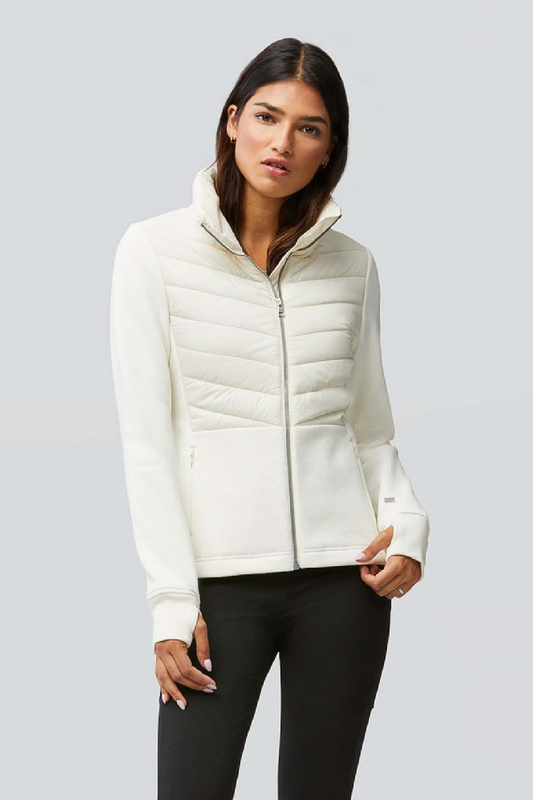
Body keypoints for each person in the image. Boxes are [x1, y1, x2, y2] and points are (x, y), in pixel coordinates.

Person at [110, 37, 430, 800]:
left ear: (329, 150)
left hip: (345, 585)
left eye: (307, 128)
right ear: (231, 122)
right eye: (265, 116)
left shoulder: (353, 266)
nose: (282, 142)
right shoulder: (152, 252)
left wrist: (407, 525)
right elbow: (148, 447)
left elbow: (368, 428)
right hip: (218, 591)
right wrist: (171, 603)